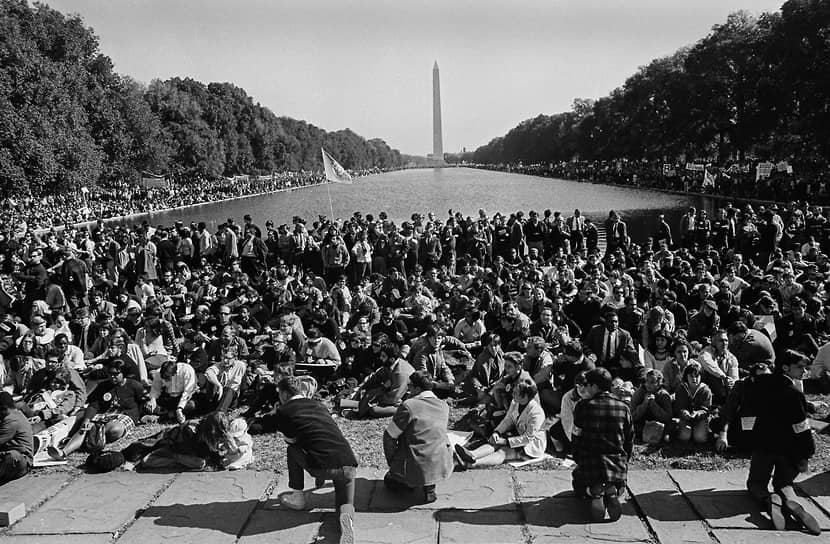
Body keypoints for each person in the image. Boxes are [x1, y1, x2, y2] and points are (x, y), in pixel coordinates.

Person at [274, 376, 357, 543]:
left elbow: (294, 442)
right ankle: (346, 521)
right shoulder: (319, 405)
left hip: (323, 466)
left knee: (292, 450)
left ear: (283, 394)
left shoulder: (283, 411)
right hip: (348, 463)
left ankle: (297, 497)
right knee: (345, 503)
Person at [747, 350, 820, 536]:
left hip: (763, 446)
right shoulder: (795, 394)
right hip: (789, 452)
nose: (804, 371)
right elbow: (801, 429)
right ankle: (789, 499)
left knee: (756, 483)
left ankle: (768, 499)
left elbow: (749, 410)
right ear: (785, 367)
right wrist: (806, 454)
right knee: (784, 482)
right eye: (800, 367)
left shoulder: (761, 384)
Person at [571, 367, 633, 522]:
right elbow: (629, 439)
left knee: (577, 485)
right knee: (619, 481)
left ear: (594, 386)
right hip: (616, 463)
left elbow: (576, 436)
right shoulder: (624, 408)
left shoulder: (582, 407)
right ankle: (614, 490)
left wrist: (577, 459)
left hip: (590, 462)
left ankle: (593, 491)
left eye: (587, 385)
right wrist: (625, 461)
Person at [382, 370, 453, 503]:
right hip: (441, 463)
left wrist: (392, 463)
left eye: (410, 386)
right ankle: (429, 487)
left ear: (417, 389)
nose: (408, 389)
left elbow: (389, 437)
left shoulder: (409, 406)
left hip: (414, 463)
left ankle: (406, 481)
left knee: (389, 480)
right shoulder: (444, 406)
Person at [455, 380, 546, 468]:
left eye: (515, 393)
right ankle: (472, 455)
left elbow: (528, 438)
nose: (512, 394)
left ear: (525, 396)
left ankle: (470, 464)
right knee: (494, 442)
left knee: (503, 452)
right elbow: (508, 420)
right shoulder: (515, 402)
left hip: (531, 445)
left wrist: (505, 441)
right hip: (519, 435)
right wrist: (497, 432)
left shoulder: (536, 413)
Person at [630, 369, 673, 443]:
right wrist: (644, 404)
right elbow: (632, 416)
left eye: (652, 382)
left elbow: (668, 417)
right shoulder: (639, 392)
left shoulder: (664, 395)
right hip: (642, 424)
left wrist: (653, 404)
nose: (648, 384)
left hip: (659, 424)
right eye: (647, 381)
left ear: (659, 383)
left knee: (672, 426)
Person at [0, 391, 33, 484]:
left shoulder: (11, 420)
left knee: (11, 456)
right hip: (18, 462)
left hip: (19, 462)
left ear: (3, 409)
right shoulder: (16, 414)